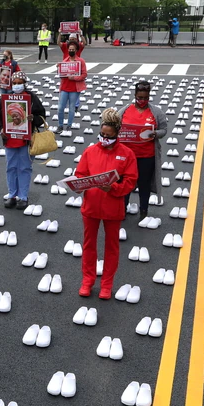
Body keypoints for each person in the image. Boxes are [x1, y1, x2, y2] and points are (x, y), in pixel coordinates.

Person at [75, 109, 138, 299]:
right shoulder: (90, 151)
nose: (104, 138)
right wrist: (78, 185)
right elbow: (81, 174)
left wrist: (114, 189)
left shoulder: (127, 154)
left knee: (111, 247)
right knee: (89, 245)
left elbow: (131, 180)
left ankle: (106, 285)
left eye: (109, 136)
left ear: (117, 134)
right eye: (102, 134)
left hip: (113, 206)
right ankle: (87, 281)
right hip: (91, 206)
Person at [0, 71, 46, 210]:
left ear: (25, 84)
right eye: (14, 83)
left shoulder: (32, 97)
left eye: (19, 83)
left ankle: (23, 196)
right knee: (11, 167)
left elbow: (42, 115)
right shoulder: (6, 98)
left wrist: (33, 118)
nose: (17, 86)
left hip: (26, 140)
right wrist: (1, 129)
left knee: (24, 167)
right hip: (10, 139)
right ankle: (12, 195)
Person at [118, 81, 167, 220]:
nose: (142, 101)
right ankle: (123, 209)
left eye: (145, 98)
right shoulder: (125, 110)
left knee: (144, 184)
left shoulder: (156, 112)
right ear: (135, 96)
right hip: (127, 155)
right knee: (125, 183)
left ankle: (144, 211)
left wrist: (155, 133)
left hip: (147, 155)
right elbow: (115, 124)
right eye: (140, 98)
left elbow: (164, 129)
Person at [57, 41, 87, 131]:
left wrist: (74, 78)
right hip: (64, 87)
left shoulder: (81, 61)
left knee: (71, 107)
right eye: (70, 49)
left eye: (73, 49)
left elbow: (84, 74)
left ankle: (69, 125)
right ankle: (60, 125)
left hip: (74, 88)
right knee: (60, 107)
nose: (71, 51)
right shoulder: (64, 61)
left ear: (76, 50)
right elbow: (60, 75)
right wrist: (58, 68)